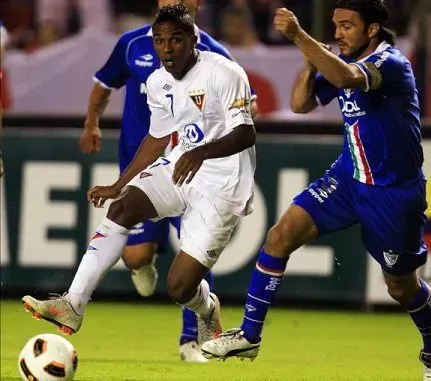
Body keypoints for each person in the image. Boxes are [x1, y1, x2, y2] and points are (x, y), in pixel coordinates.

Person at [201, 1, 431, 380]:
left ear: (371, 30)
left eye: (347, 26)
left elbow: (350, 78)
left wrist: (300, 37)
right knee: (279, 236)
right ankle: (250, 335)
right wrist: (308, 61)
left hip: (393, 193)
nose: (337, 33)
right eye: (335, 26)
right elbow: (300, 104)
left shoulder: (391, 63)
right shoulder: (337, 59)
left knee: (401, 286)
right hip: (348, 177)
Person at [22, 2, 256, 367]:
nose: (166, 48)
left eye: (175, 40)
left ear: (194, 40)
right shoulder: (157, 80)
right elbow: (156, 137)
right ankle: (73, 304)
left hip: (222, 185)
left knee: (180, 288)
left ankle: (207, 307)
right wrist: (119, 183)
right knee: (122, 207)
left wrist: (203, 152)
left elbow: (246, 132)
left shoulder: (224, 71)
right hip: (179, 168)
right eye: (160, 41)